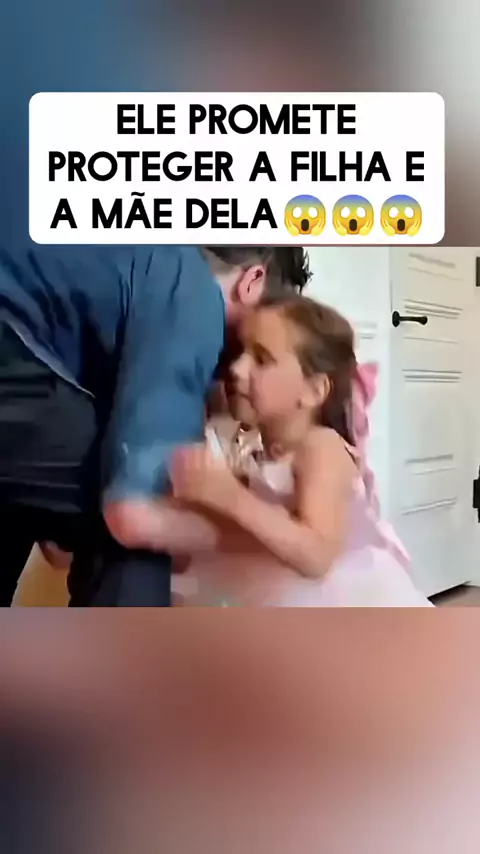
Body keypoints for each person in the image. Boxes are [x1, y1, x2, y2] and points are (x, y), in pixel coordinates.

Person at [0, 244, 310, 606]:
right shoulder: (192, 290)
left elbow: (56, 544)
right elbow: (133, 514)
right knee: (145, 508)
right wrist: (254, 533)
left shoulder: (128, 263)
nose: (243, 365)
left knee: (24, 501)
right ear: (252, 281)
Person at [169, 296, 433, 607]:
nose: (237, 369)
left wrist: (230, 497)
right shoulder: (250, 445)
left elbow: (316, 556)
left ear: (313, 390)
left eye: (262, 360)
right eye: (239, 353)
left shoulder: (321, 447)